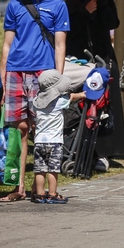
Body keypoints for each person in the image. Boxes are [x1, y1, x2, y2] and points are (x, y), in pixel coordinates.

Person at [0, 0, 69, 202]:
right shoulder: (15, 6)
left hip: (45, 75)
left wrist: (58, 81)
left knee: (44, 130)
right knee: (20, 131)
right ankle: (17, 186)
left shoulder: (58, 5)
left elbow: (60, 45)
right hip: (16, 72)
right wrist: (2, 80)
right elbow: (7, 45)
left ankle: (41, 188)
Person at [64, 0, 124, 159]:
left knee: (108, 105)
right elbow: (70, 31)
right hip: (79, 62)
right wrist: (84, 12)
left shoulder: (106, 1)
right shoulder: (70, 5)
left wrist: (100, 3)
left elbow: (112, 23)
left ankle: (108, 149)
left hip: (104, 58)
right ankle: (80, 148)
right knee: (84, 105)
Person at [32, 70, 84, 204]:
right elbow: (72, 97)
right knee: (53, 170)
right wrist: (83, 94)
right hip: (54, 142)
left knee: (40, 170)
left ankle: (39, 194)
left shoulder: (36, 102)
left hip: (39, 142)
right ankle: (52, 194)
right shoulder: (60, 101)